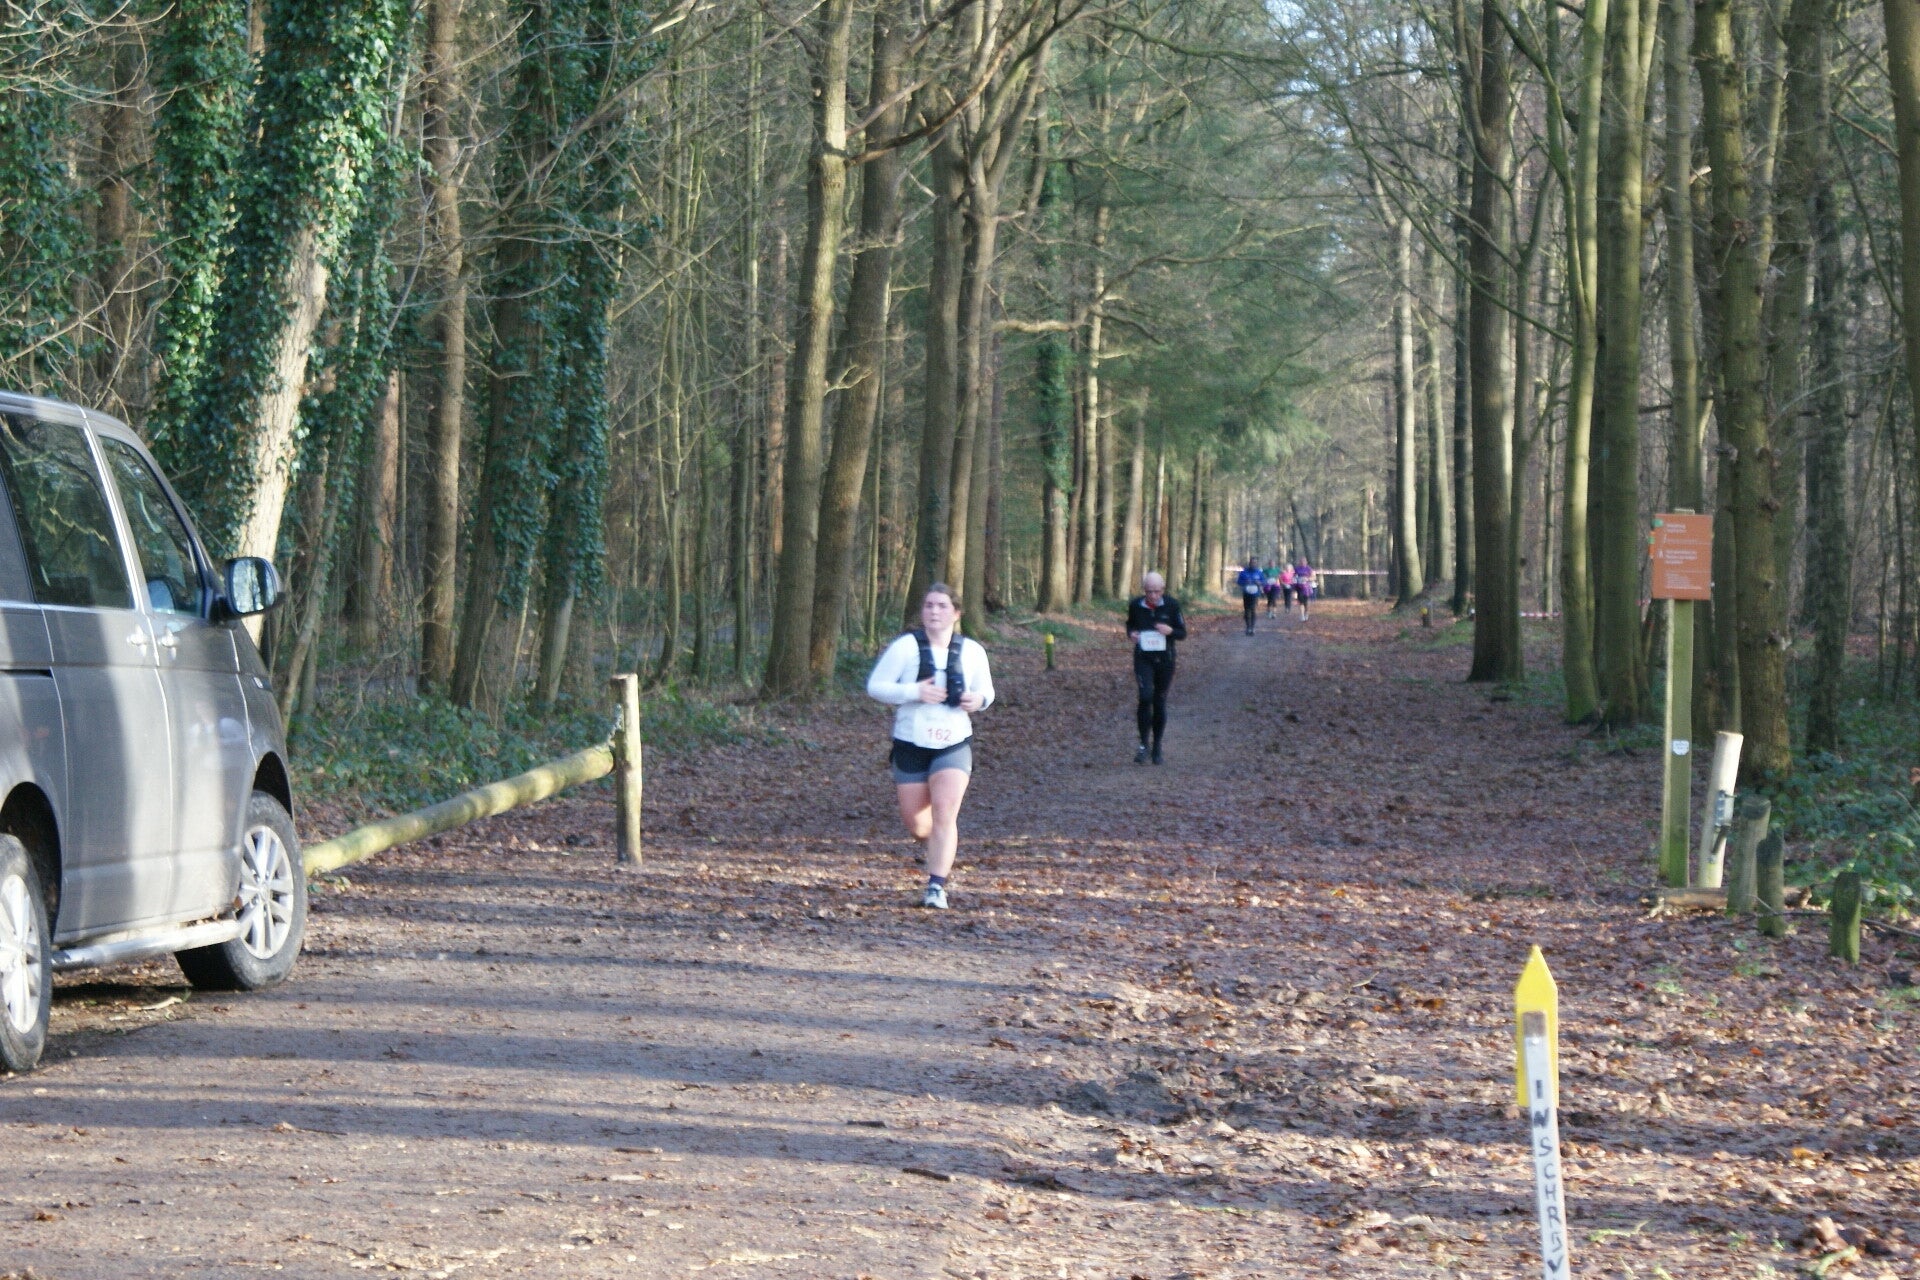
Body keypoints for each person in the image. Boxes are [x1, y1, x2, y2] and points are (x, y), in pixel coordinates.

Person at [865, 583, 994, 909]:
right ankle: (938, 844)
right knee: (919, 824)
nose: (934, 611)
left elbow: (987, 693)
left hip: (953, 743)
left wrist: (977, 700)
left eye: (941, 606)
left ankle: (936, 887)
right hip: (911, 743)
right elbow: (875, 687)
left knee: (945, 813)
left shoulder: (973, 651)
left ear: (956, 613)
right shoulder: (905, 648)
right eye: (929, 606)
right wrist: (914, 692)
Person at [1126, 572, 1187, 765]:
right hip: (1143, 658)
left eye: (1157, 591)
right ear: (1144, 590)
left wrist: (1170, 631)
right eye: (1149, 591)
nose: (1153, 595)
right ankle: (1143, 744)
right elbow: (1130, 625)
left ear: (1163, 589)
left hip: (1165, 659)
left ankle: (1157, 745)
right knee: (1145, 697)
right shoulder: (1136, 605)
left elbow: (1182, 633)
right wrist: (1132, 634)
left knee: (1159, 700)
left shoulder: (1172, 605)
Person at [1235, 559, 1265, 634]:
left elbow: (1264, 582)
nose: (1253, 564)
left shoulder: (1259, 572)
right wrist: (1245, 582)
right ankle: (1248, 627)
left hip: (1255, 594)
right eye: (1252, 563)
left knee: (1253, 609)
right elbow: (1238, 582)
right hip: (1246, 593)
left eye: (1254, 563)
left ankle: (1252, 627)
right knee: (1247, 610)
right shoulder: (1244, 572)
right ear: (1249, 563)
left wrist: (1259, 583)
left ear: (1256, 564)